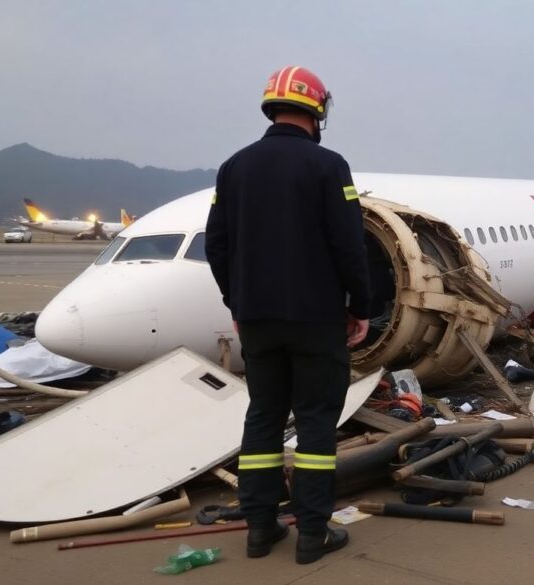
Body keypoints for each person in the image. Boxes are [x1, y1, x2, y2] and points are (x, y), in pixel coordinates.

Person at [205, 65, 371, 564]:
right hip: (316, 318)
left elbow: (217, 246)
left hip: (256, 318)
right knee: (317, 422)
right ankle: (312, 533)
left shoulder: (233, 168)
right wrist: (360, 306)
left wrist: (237, 303)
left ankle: (260, 529)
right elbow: (349, 244)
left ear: (270, 107)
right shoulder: (328, 166)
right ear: (317, 110)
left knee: (263, 418)